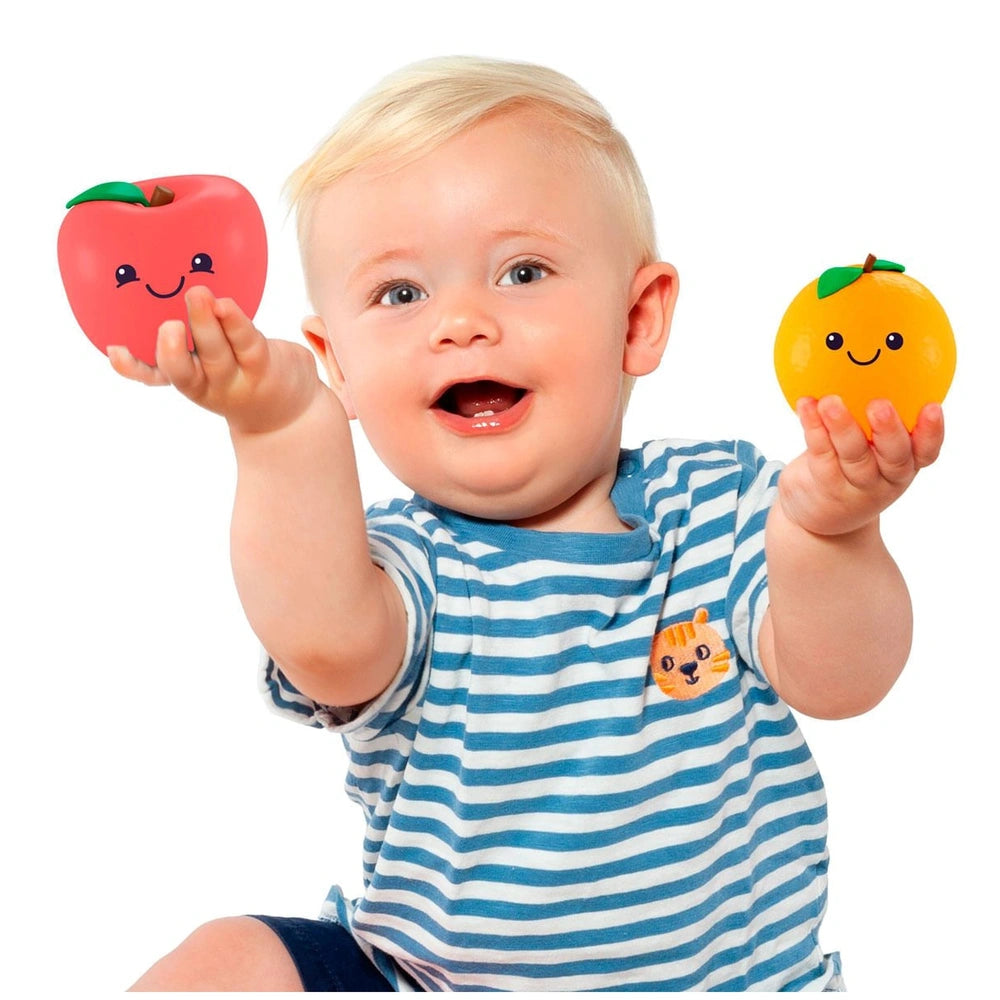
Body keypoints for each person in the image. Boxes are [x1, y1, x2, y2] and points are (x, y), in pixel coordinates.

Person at [116, 56, 943, 991]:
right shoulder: (402, 568)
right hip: (437, 982)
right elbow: (329, 645)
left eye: (521, 271)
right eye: (400, 294)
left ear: (636, 319)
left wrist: (832, 533)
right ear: (335, 363)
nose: (461, 321)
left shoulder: (721, 510)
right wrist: (280, 430)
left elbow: (844, 679)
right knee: (224, 962)